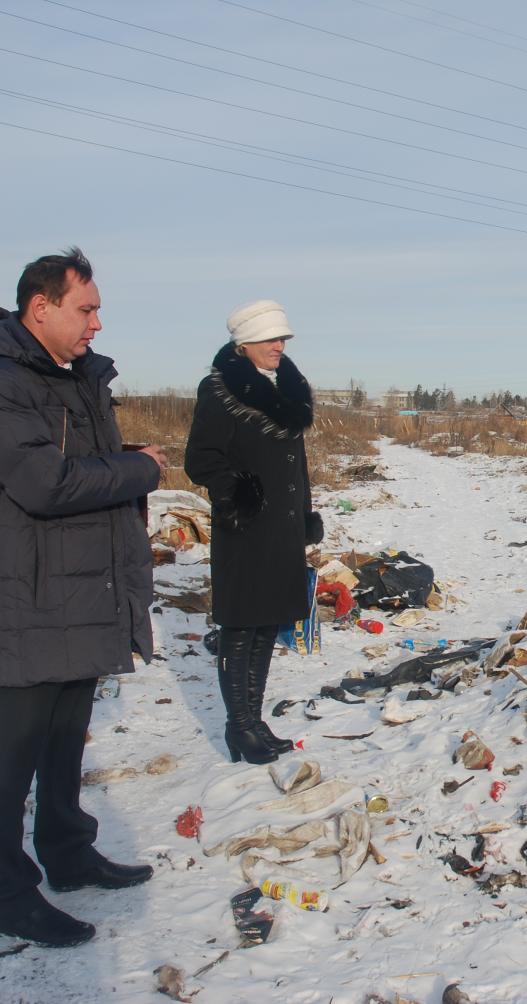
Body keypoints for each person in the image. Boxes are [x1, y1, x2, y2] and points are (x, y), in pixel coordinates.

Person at [0, 247, 168, 948]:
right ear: (39, 307)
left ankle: (68, 855)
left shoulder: (71, 380)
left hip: (79, 588)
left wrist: (122, 463)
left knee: (67, 730)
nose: (97, 324)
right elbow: (47, 483)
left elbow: (77, 466)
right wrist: (137, 469)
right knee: (18, 739)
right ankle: (9, 890)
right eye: (87, 308)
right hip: (30, 590)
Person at [184, 300, 322, 765]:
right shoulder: (219, 389)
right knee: (241, 627)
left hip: (282, 530)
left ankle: (253, 719)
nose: (279, 347)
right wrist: (238, 492)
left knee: (267, 625)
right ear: (243, 346)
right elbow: (201, 459)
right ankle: (239, 726)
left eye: (283, 339)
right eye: (270, 340)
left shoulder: (287, 389)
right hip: (245, 529)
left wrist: (305, 513)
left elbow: (296, 465)